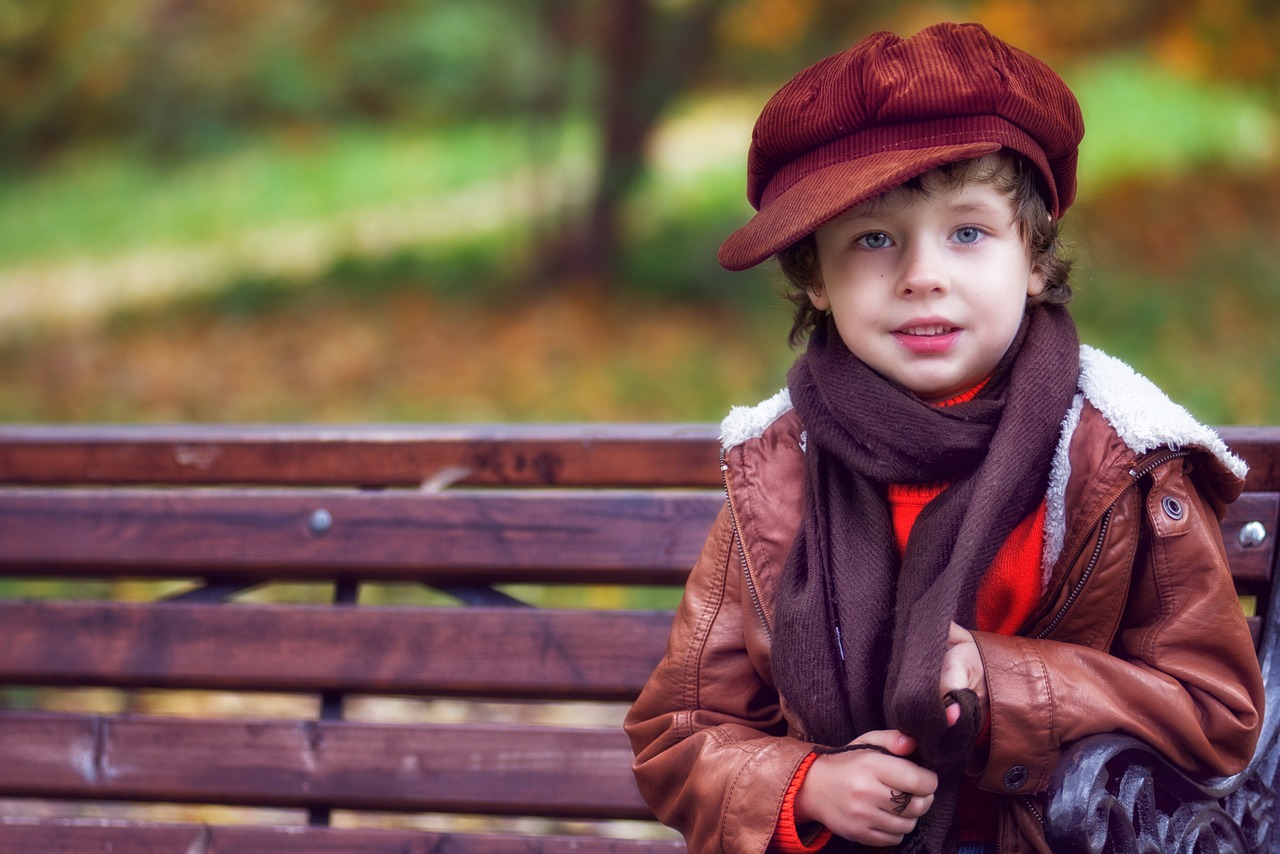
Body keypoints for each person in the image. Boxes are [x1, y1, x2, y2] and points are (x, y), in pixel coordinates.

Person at [624, 21, 1264, 854]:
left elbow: (1213, 718)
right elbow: (680, 730)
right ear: (814, 277)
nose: (923, 274)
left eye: (967, 232)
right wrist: (805, 785)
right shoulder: (781, 467)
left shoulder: (1117, 462)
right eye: (874, 238)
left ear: (1032, 257)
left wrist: (1005, 686)